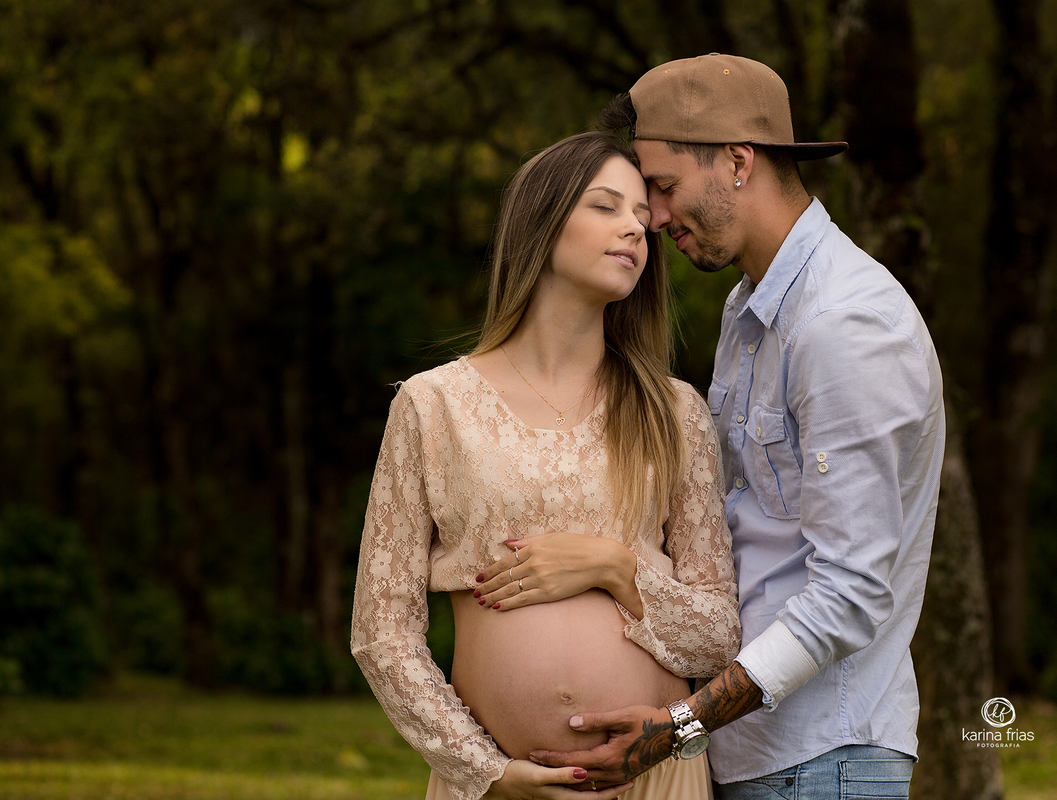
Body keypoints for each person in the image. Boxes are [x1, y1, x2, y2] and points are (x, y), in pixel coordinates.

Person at [526, 54, 946, 800]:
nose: (652, 216)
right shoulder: (750, 310)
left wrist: (679, 725)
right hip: (753, 755)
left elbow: (849, 592)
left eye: (663, 186)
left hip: (824, 762)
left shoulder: (844, 323)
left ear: (737, 162)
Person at [350, 130, 741, 800]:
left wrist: (614, 566)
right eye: (606, 207)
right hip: (502, 784)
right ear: (542, 220)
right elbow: (382, 632)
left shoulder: (674, 412)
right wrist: (485, 771)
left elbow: (716, 639)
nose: (635, 230)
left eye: (644, 220)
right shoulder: (432, 405)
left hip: (658, 777)